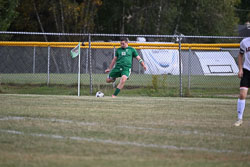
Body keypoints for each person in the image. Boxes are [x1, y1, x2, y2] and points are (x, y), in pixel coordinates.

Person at [234, 37, 250, 126]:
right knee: (242, 95)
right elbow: (240, 55)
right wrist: (240, 69)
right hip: (247, 71)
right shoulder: (245, 42)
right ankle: (240, 119)